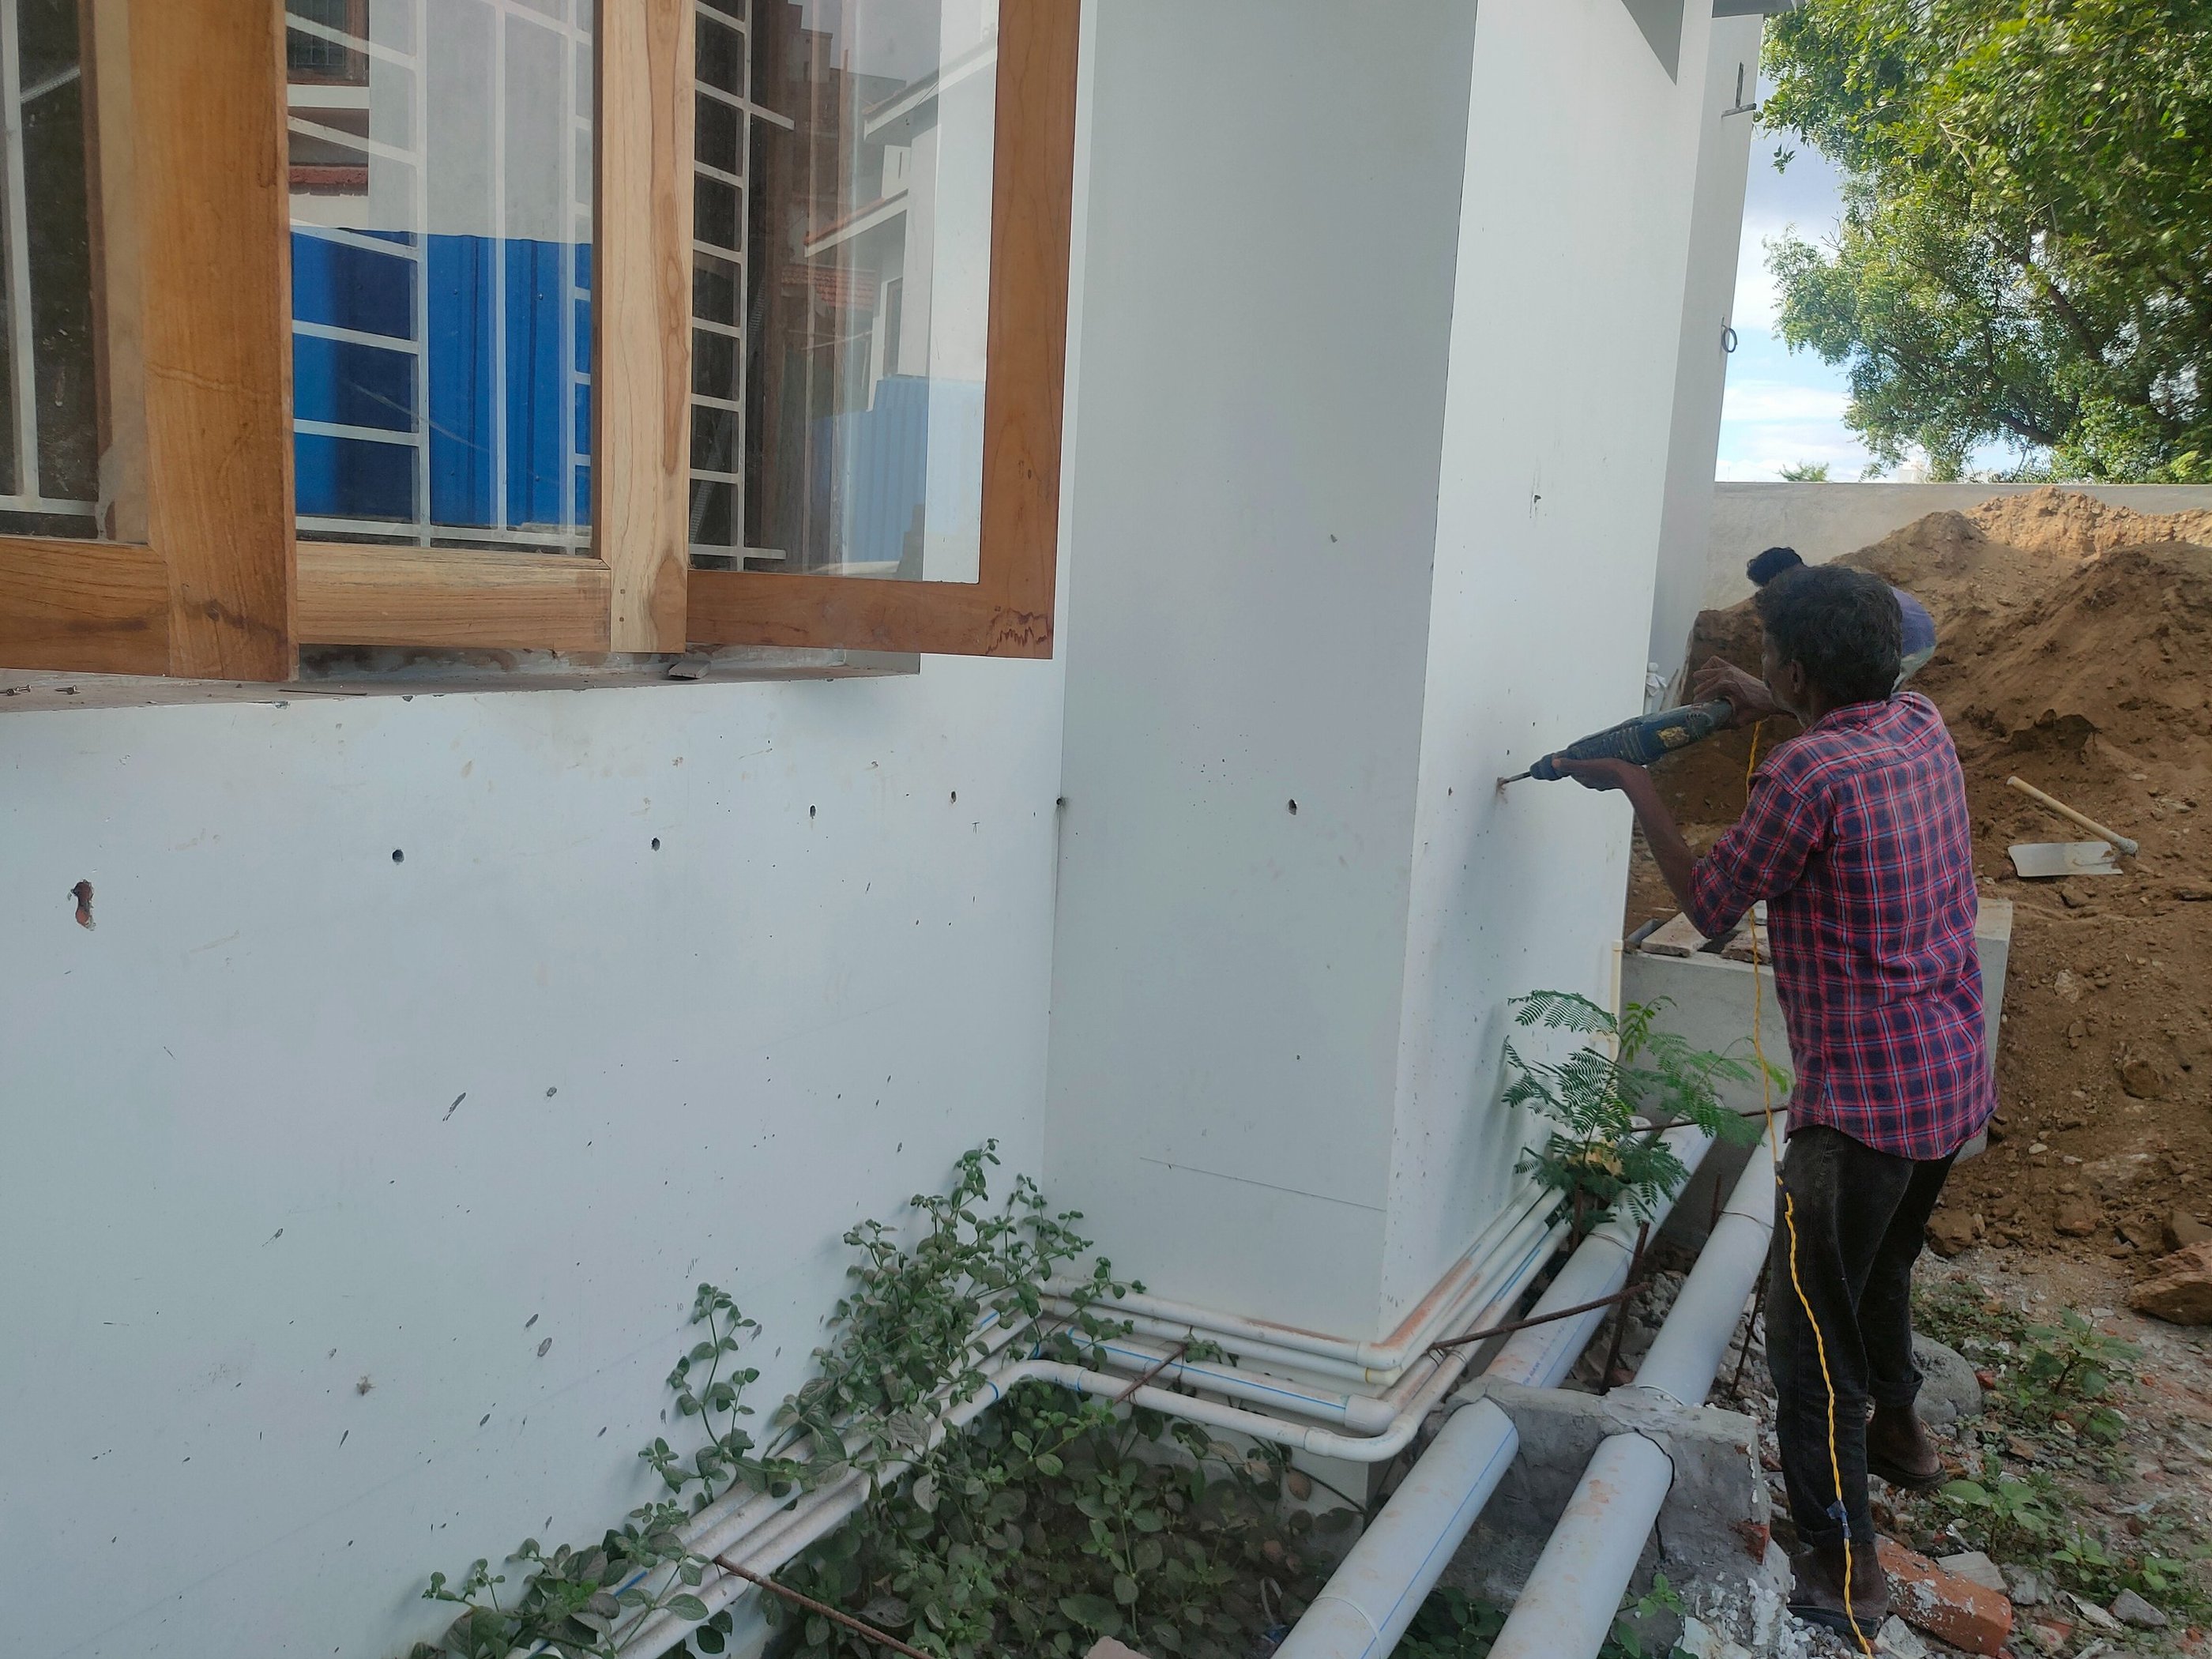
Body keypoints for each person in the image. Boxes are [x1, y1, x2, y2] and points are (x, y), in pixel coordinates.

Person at [1556, 563, 1992, 1639]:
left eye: (1774, 665)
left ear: (1798, 668)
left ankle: (1848, 1570)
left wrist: (1634, 781)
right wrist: (1770, 701)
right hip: (1951, 1079)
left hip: (1859, 1114)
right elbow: (1829, 717)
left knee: (1808, 1346)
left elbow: (1709, 906)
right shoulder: (1921, 722)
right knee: (1882, 1269)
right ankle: (1906, 1434)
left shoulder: (1805, 777)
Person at [1747, 545, 1936, 690]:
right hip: (1923, 634)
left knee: (1857, 698)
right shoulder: (1828, 579)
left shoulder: (1808, 597)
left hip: (1911, 648)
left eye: (1765, 587)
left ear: (1776, 580)